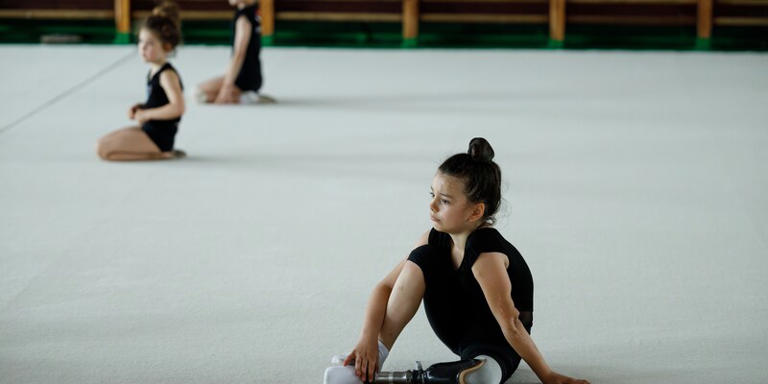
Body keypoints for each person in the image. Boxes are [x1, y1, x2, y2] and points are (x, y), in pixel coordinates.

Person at [324, 138, 590, 384]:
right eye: (433, 196)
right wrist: (368, 340)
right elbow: (384, 288)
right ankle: (371, 362)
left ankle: (461, 372)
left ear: (476, 211)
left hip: (497, 344)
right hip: (459, 329)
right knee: (421, 258)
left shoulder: (486, 254)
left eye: (445, 201)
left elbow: (510, 324)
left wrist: (548, 376)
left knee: (481, 377)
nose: (432, 206)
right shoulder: (435, 238)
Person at [96, 1, 185, 161]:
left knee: (105, 150)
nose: (143, 48)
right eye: (141, 42)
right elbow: (159, 101)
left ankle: (161, 154)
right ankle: (157, 151)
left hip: (158, 138)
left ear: (167, 47)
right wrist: (141, 107)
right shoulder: (153, 71)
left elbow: (178, 107)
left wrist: (146, 113)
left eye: (149, 44)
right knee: (101, 142)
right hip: (148, 130)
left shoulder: (167, 75)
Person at [196, 0, 274, 104]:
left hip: (243, 78)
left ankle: (245, 98)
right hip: (253, 74)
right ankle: (245, 95)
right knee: (204, 94)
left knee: (197, 93)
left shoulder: (244, 18)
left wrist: (226, 86)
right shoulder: (254, 13)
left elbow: (239, 54)